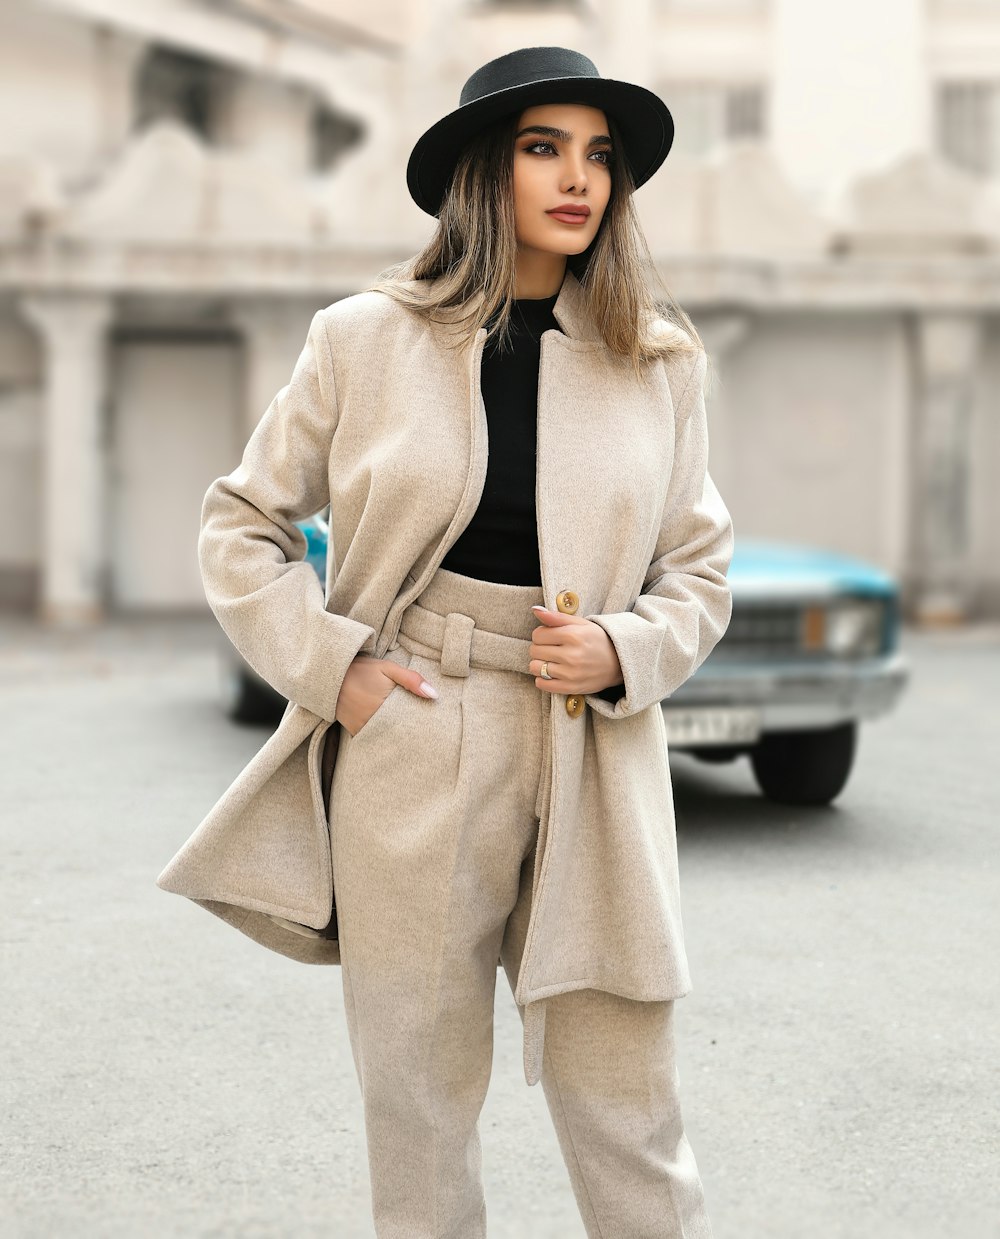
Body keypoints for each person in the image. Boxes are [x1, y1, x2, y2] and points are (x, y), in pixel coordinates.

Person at [158, 45, 733, 1239]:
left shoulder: (659, 362)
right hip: (418, 722)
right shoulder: (363, 339)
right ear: (486, 168)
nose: (578, 178)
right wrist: (335, 669)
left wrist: (627, 648)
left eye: (599, 155)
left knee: (624, 1090)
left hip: (594, 744)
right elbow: (243, 522)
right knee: (416, 1093)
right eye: (543, 147)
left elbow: (698, 567)